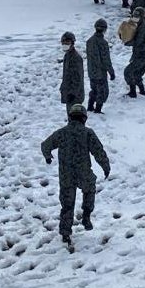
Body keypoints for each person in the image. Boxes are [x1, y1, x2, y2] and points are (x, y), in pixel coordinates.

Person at [40, 104, 111, 252]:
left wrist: (48, 156)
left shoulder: (62, 133)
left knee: (67, 204)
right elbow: (98, 151)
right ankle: (86, 215)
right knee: (89, 190)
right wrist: (105, 166)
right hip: (83, 172)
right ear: (84, 118)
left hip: (66, 175)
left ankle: (65, 233)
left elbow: (45, 145)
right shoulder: (87, 133)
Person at [86, 19, 115, 113]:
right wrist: (111, 72)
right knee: (102, 92)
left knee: (94, 89)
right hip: (100, 72)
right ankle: (98, 109)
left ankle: (90, 106)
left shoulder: (89, 41)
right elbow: (106, 60)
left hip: (91, 71)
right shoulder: (103, 43)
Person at [123, 6, 145, 98]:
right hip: (141, 55)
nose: (135, 18)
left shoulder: (143, 28)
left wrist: (127, 42)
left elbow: (138, 42)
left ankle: (133, 92)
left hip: (142, 56)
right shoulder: (138, 26)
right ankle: (142, 91)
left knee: (128, 72)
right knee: (136, 74)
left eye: (137, 16)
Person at [60, 31, 84, 113]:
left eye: (67, 42)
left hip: (75, 95)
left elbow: (78, 78)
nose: (65, 44)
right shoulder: (67, 56)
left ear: (72, 43)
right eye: (63, 42)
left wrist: (72, 93)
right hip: (69, 93)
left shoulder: (76, 58)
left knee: (75, 118)